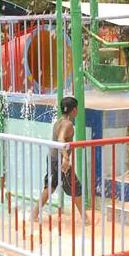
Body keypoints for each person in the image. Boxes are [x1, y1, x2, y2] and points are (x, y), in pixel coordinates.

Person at [31, 96, 85, 224]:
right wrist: (66, 158)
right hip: (60, 161)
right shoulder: (68, 124)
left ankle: (34, 215)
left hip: (52, 158)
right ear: (74, 110)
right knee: (76, 187)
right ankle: (85, 218)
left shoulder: (58, 122)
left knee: (50, 186)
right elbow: (61, 139)